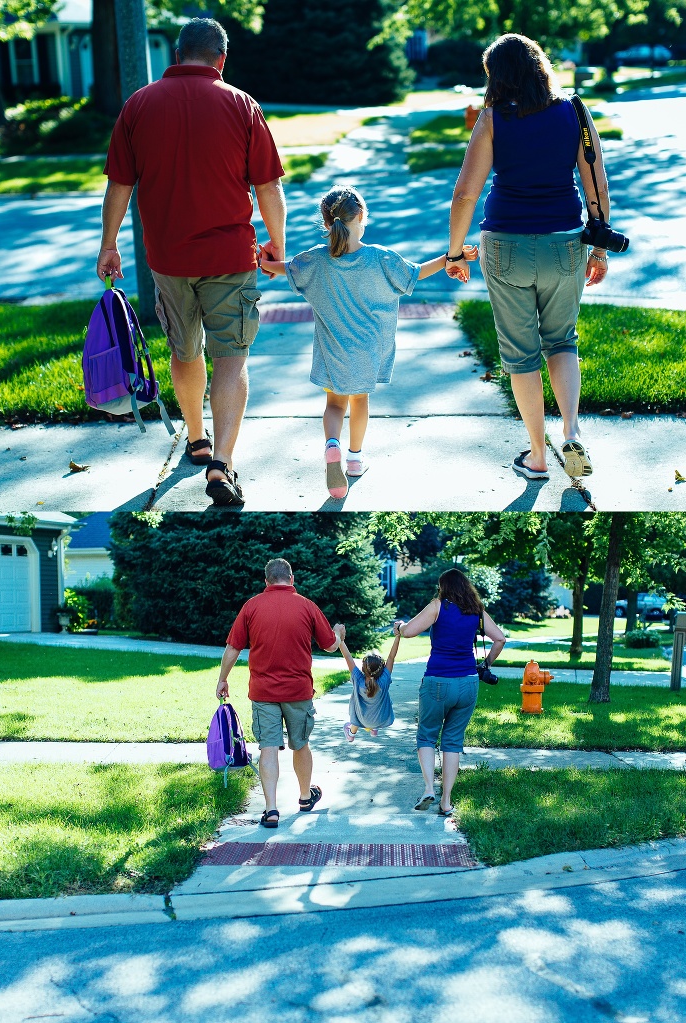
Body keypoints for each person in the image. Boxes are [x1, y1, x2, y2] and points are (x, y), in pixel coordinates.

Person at [96, 18, 287, 507]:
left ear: (177, 54)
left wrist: (109, 245)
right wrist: (276, 246)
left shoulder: (138, 105)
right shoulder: (241, 104)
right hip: (231, 255)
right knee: (232, 355)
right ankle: (221, 465)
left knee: (186, 350)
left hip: (168, 258)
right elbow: (268, 186)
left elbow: (119, 183)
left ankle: (197, 438)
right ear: (221, 59)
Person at [446, 33, 612, 482]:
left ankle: (538, 456)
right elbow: (596, 180)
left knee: (521, 355)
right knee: (561, 339)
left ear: (496, 77)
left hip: (505, 245)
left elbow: (465, 193)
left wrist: (455, 251)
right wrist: (599, 245)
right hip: (564, 241)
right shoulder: (573, 110)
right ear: (540, 65)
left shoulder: (493, 118)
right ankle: (572, 430)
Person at [259, 185, 477, 498]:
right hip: (367, 352)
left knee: (334, 403)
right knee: (359, 402)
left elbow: (284, 268)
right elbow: (416, 273)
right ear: (361, 216)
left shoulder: (314, 261)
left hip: (332, 352)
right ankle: (355, 459)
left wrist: (260, 261)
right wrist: (449, 258)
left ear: (326, 222)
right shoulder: (381, 258)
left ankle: (331, 445)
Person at [216, 558, 344, 829]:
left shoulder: (251, 606)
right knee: (300, 744)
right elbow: (331, 646)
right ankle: (305, 797)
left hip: (263, 693)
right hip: (298, 692)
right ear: (292, 578)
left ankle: (271, 810)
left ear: (266, 581)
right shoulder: (307, 606)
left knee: (269, 747)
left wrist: (222, 680)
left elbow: (232, 648)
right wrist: (339, 634)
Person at [394, 568, 505, 816]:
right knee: (452, 742)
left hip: (438, 681)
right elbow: (500, 639)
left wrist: (400, 626)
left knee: (426, 736)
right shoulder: (476, 611)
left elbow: (410, 631)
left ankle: (428, 788)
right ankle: (446, 801)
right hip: (468, 682)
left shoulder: (437, 606)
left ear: (443, 587)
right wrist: (485, 665)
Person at [338, 632, 400, 741]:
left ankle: (351, 735)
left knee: (356, 701)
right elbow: (391, 657)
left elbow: (347, 656)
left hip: (362, 720)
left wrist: (340, 640)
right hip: (382, 719)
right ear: (381, 669)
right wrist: (398, 636)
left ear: (363, 669)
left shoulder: (358, 679)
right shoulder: (384, 680)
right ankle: (374, 728)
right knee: (381, 701)